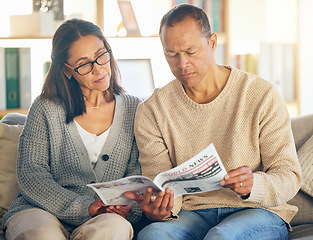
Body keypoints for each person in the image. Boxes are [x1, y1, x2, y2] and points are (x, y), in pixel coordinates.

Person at [125, 4, 302, 240]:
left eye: (191, 51)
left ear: (212, 42)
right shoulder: (152, 110)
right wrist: (161, 209)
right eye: (172, 54)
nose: (182, 64)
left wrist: (253, 185)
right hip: (191, 213)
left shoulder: (261, 94)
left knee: (221, 237)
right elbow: (163, 187)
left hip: (257, 211)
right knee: (152, 236)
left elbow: (289, 176)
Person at [2, 18, 142, 240]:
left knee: (113, 229)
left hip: (106, 216)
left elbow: (137, 174)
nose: (99, 69)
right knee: (41, 234)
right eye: (85, 64)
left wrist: (126, 208)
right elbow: (32, 174)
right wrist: (83, 207)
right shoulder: (45, 107)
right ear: (67, 70)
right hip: (40, 210)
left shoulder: (135, 109)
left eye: (101, 55)